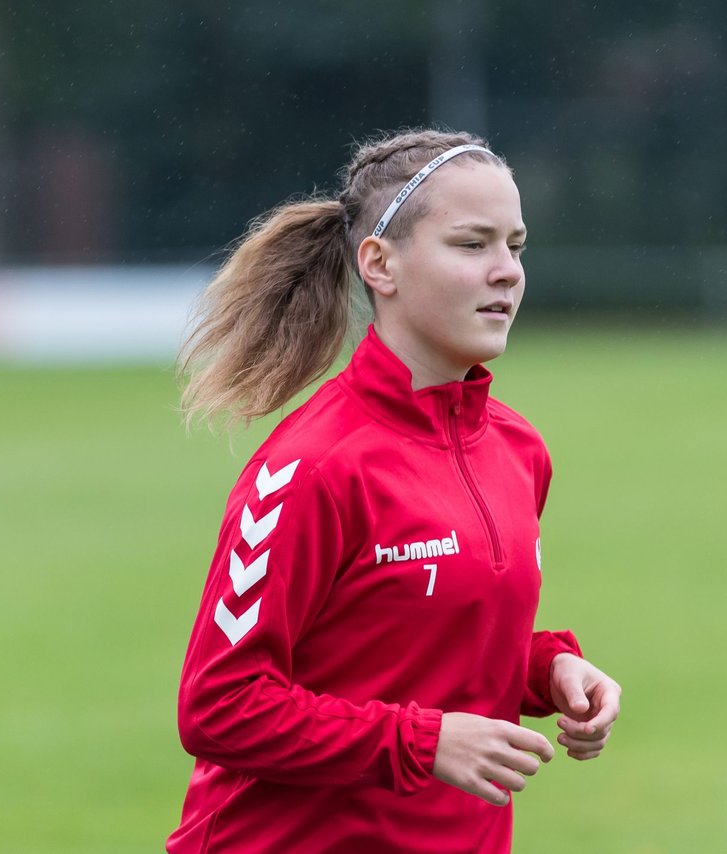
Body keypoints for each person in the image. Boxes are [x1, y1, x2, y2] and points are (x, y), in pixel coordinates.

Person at [166, 128, 622, 852]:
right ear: (380, 264)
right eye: (473, 245)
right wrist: (421, 742)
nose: (506, 271)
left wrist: (548, 669)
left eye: (517, 245)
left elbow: (426, 636)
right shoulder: (314, 466)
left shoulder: (519, 449)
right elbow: (220, 708)